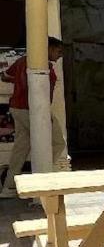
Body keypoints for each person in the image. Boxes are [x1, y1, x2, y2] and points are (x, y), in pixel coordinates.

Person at [0, 37, 66, 198]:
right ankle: (39, 183)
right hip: (34, 111)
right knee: (56, 142)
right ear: (48, 49)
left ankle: (8, 187)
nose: (60, 55)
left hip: (17, 108)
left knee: (21, 148)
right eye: (58, 51)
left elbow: (4, 76)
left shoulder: (23, 61)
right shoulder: (44, 67)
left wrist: (19, 81)